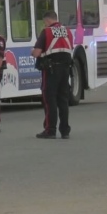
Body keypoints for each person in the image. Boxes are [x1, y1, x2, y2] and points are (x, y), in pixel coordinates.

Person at [31, 10, 74, 139]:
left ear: (48, 20)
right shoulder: (67, 31)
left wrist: (32, 52)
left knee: (50, 100)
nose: (45, 25)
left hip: (51, 70)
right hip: (65, 69)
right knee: (63, 100)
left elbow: (37, 53)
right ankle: (65, 131)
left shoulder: (47, 32)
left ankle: (50, 130)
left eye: (45, 22)